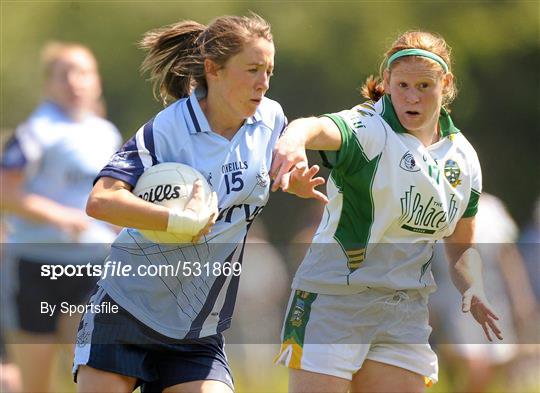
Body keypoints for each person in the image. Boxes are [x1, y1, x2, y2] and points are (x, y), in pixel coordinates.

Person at [270, 30, 502, 393]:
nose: (412, 97)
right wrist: (293, 141)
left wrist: (474, 286)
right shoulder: (369, 129)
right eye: (403, 85)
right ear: (387, 83)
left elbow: (460, 245)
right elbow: (315, 126)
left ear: (447, 83)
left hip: (403, 312)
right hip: (334, 302)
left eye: (424, 86)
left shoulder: (463, 158)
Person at [74, 14, 286, 393]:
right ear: (213, 69)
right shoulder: (168, 129)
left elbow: (287, 160)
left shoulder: (270, 119)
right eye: (253, 69)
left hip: (195, 328)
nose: (263, 83)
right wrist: (173, 219)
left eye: (269, 70)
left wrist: (296, 174)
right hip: (126, 309)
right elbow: (101, 200)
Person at [0, 42, 121, 392]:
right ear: (49, 84)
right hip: (36, 266)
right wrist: (60, 216)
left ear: (96, 81)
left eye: (83, 72)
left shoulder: (106, 133)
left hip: (93, 265)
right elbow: (5, 192)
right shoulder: (36, 131)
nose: (74, 82)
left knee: (95, 370)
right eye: (64, 74)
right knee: (36, 382)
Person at [430, 192, 538, 392]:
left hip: (492, 296)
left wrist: (522, 298)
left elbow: (508, 258)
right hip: (453, 299)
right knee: (474, 363)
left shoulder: (492, 209)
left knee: (496, 363)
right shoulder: (434, 207)